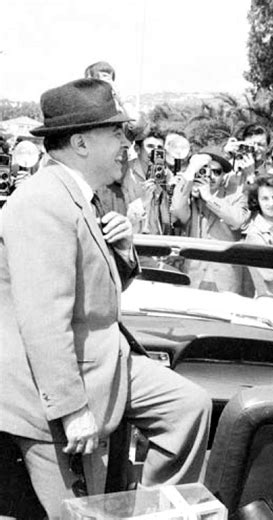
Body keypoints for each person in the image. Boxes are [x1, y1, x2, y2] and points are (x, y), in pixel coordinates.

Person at [0, 78, 211, 519]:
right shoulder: (41, 203)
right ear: (79, 142)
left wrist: (124, 250)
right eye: (115, 133)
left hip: (102, 361)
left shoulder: (79, 197)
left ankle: (152, 512)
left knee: (187, 408)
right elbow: (43, 320)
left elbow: (99, 295)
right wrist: (72, 410)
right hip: (49, 390)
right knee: (83, 514)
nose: (127, 145)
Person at [171, 146, 250, 293]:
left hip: (225, 280)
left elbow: (238, 220)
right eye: (205, 170)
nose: (211, 176)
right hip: (194, 278)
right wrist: (190, 173)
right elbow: (176, 209)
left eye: (217, 172)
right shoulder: (190, 197)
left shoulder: (235, 196)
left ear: (223, 176)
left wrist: (209, 198)